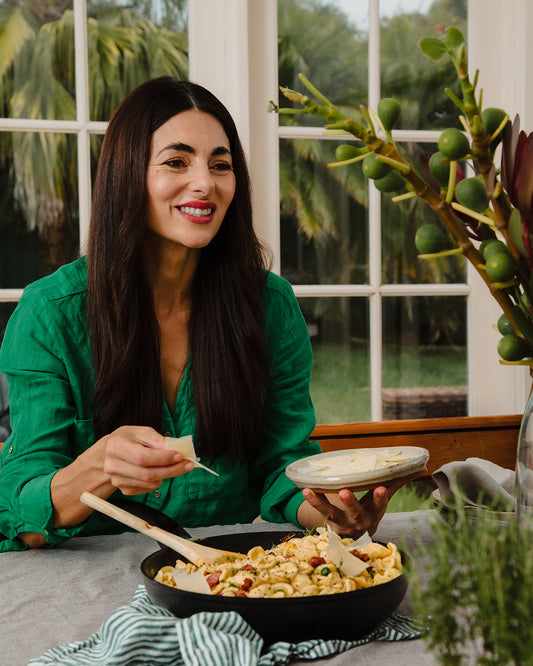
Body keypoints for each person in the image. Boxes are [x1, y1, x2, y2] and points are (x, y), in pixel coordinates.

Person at [0, 77, 416, 552]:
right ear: (127, 174)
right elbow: (19, 511)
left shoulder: (270, 306)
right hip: (78, 584)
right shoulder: (49, 314)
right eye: (176, 161)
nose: (206, 183)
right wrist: (100, 467)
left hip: (228, 575)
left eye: (221, 165)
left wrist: (331, 514)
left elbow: (282, 466)